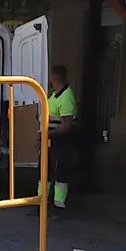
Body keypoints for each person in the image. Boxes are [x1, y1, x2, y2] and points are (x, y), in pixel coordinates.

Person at [30, 64, 78, 220]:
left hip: (61, 141)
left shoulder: (66, 97)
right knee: (44, 172)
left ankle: (59, 207)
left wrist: (46, 135)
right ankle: (41, 204)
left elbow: (65, 126)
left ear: (53, 78)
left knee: (60, 174)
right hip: (51, 140)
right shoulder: (56, 95)